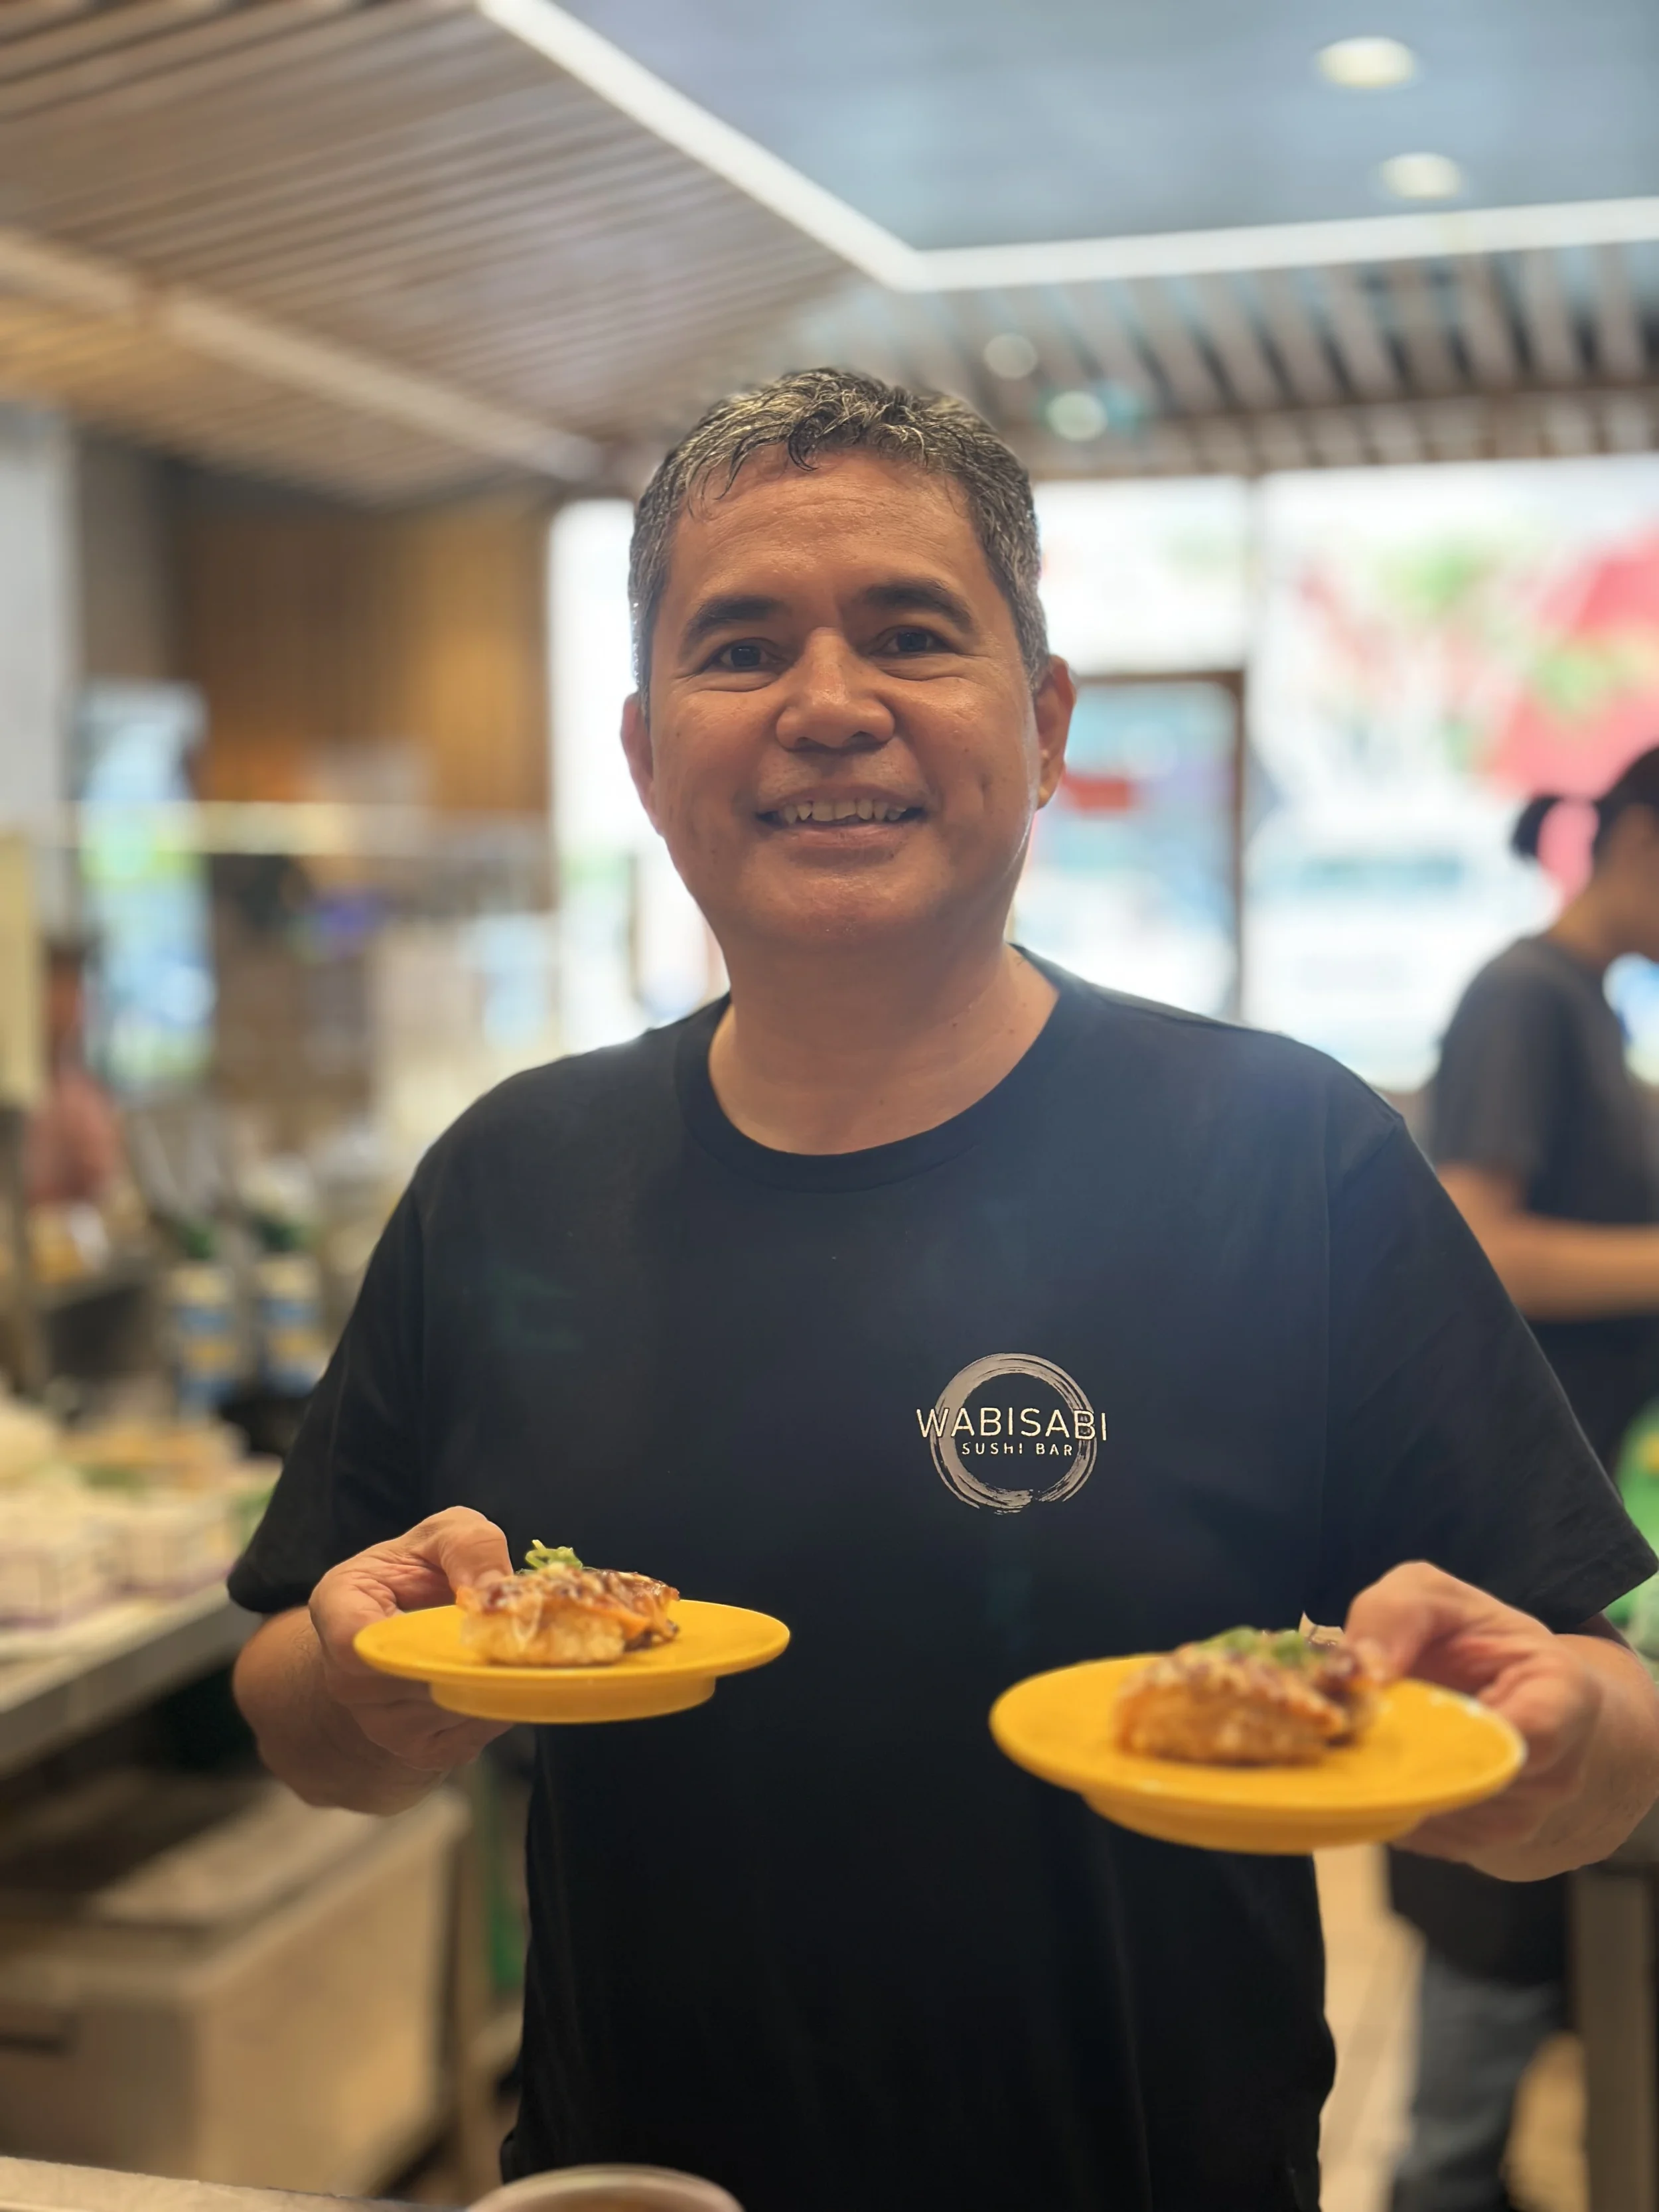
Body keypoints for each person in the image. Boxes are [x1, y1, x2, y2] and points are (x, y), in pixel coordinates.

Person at [228, 372, 1659, 2212]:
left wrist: (1541, 1754)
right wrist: (365, 1693)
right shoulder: (513, 1177)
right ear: (648, 749)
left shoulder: (1279, 1151)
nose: (831, 707)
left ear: (1044, 719)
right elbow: (293, 1705)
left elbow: (1605, 1733)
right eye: (740, 647)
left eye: (912, 632)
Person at [1391, 751, 1659, 2212]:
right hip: (1503, 1519)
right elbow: (1480, 1241)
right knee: (1485, 1926)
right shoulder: (1522, 995)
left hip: (1574, 1520)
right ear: (1627, 837)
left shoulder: (1590, 1012)